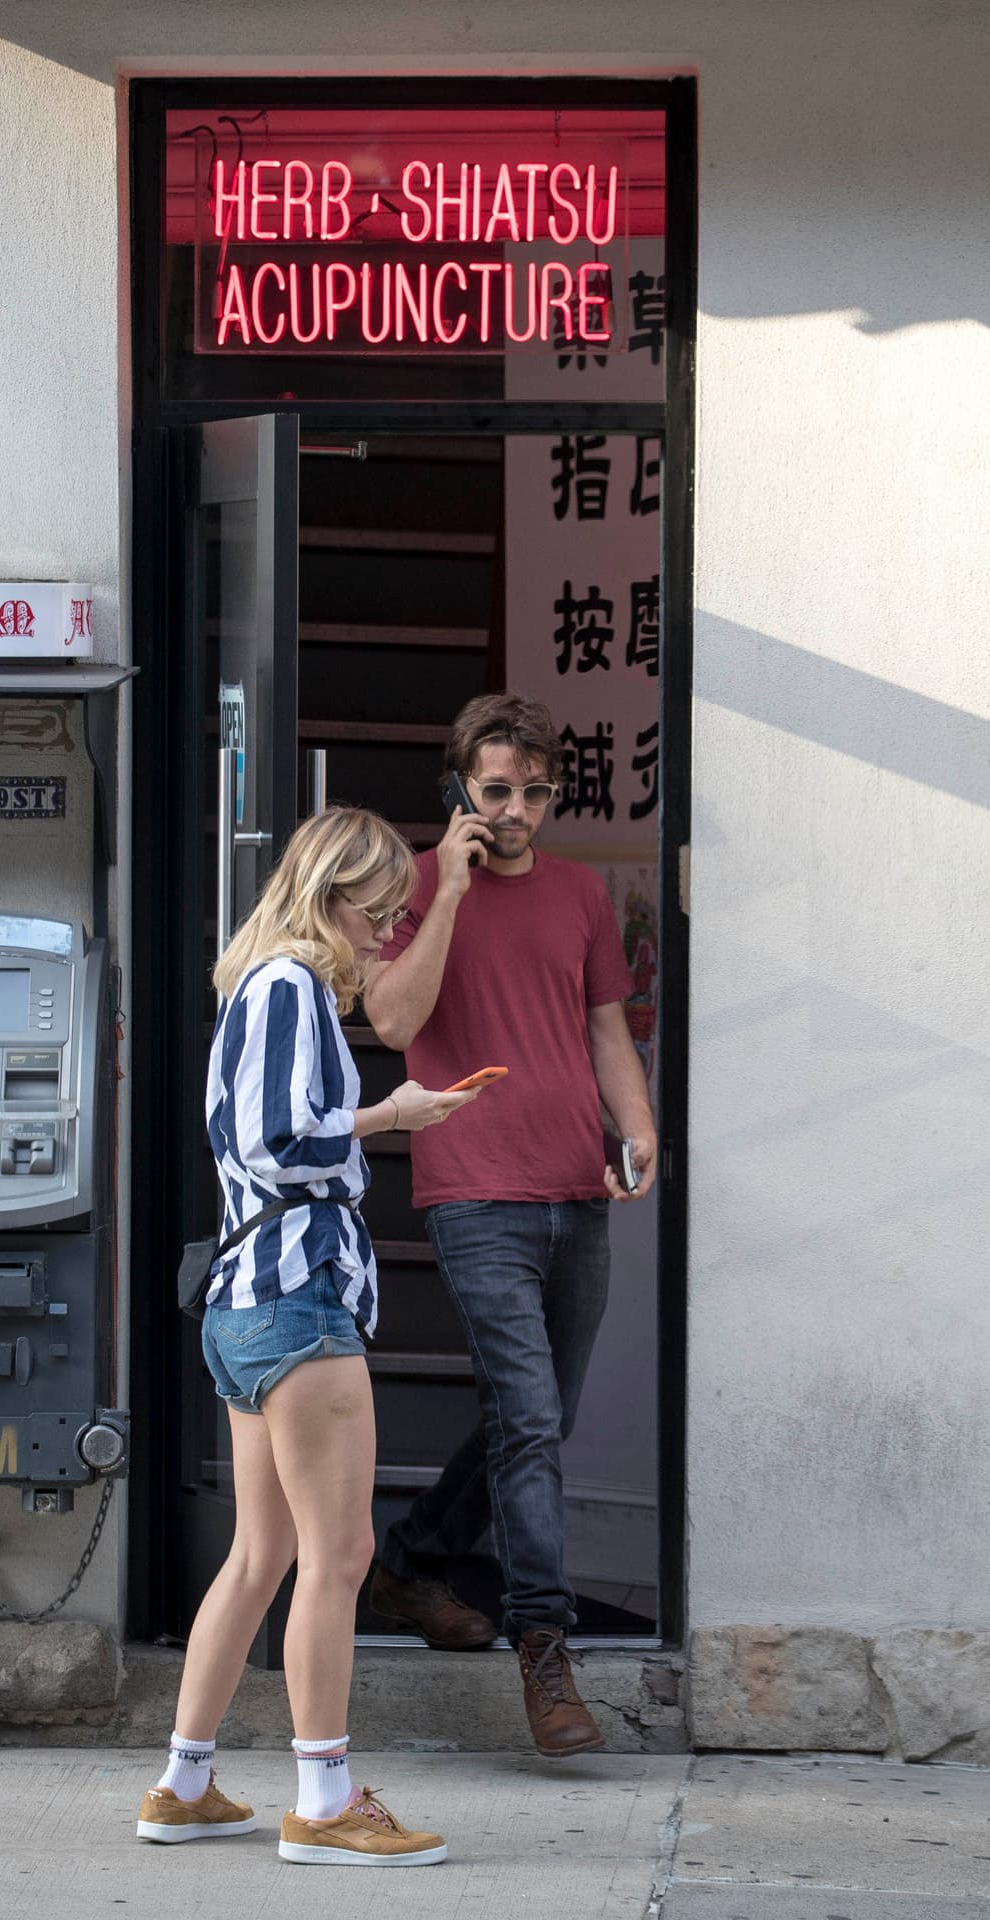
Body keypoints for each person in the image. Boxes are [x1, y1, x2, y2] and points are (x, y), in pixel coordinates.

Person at [135, 806, 478, 1865]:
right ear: (328, 896)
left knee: (262, 1554)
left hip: (251, 1299)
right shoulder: (287, 987)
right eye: (378, 915)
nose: (386, 934)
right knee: (338, 1555)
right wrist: (392, 1116)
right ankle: (324, 1802)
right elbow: (279, 1139)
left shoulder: (258, 986)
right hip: (296, 1298)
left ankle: (183, 1784)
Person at [363, 692, 657, 1758]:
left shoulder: (578, 895)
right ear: (459, 788)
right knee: (528, 1419)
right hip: (475, 1191)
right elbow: (391, 1020)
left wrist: (636, 1130)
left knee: (539, 1417)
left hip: (575, 1190)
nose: (518, 809)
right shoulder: (417, 884)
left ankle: (406, 1562)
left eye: (535, 791)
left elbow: (605, 1032)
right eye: (497, 791)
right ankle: (544, 1645)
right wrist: (447, 882)